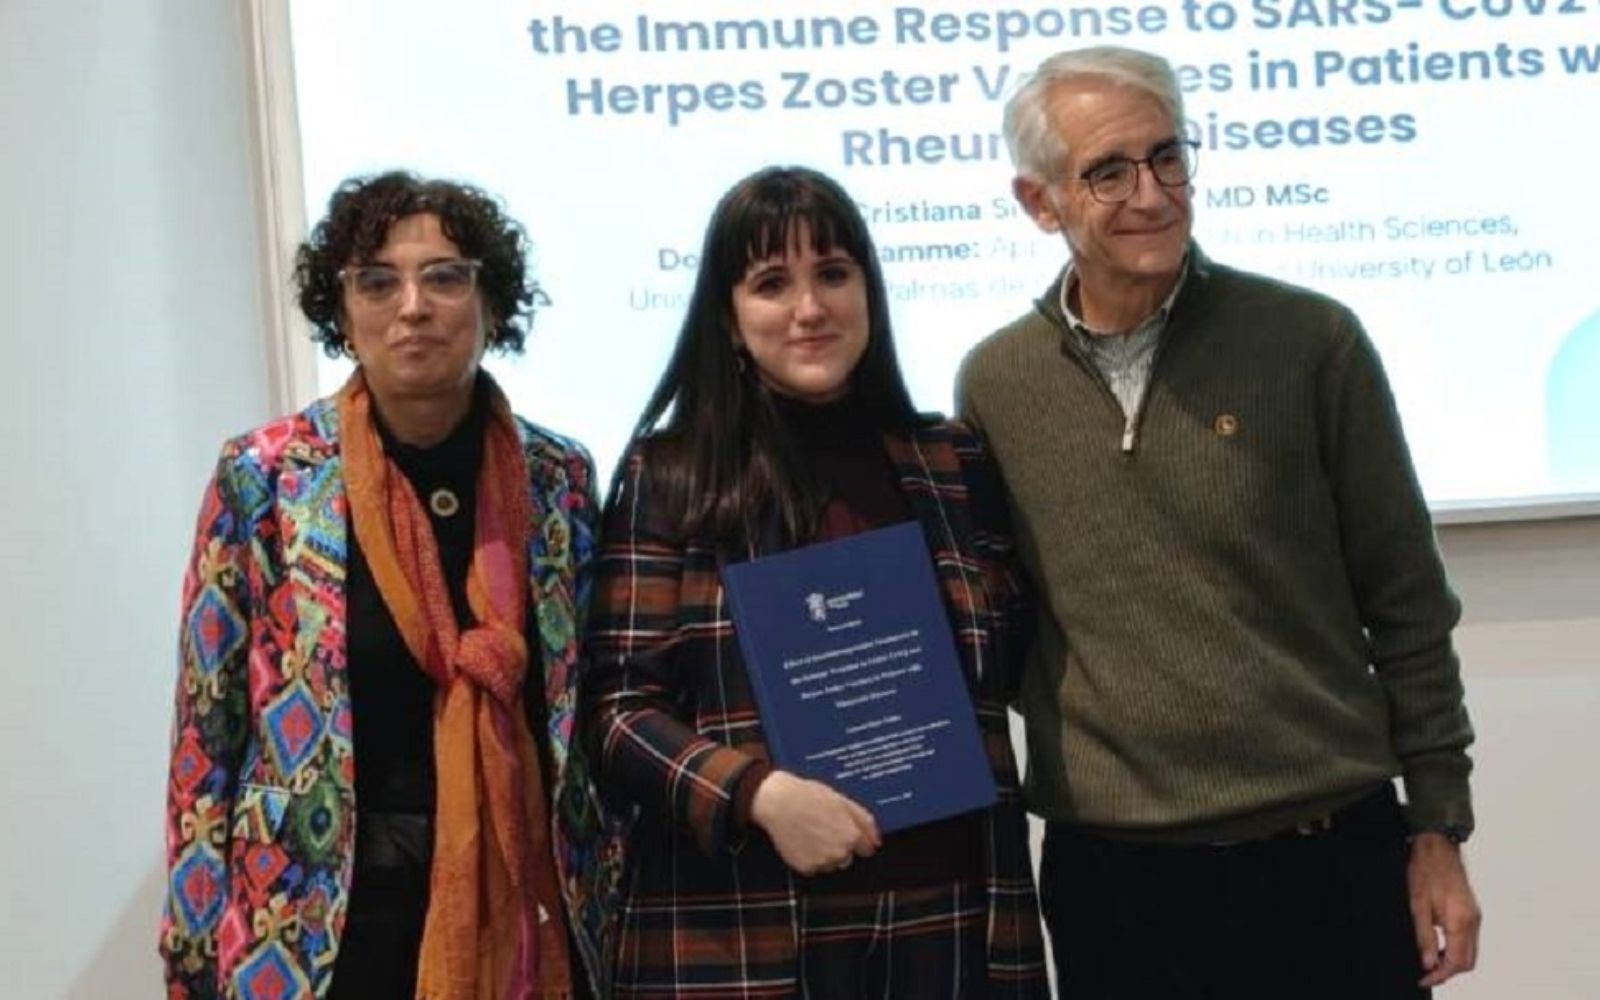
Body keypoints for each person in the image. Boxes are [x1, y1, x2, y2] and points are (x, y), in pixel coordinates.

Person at [957, 46, 1481, 999]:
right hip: (1119, 885)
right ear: (1040, 203)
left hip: (1328, 859)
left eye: (1168, 157)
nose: (1151, 194)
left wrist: (1437, 827)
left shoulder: (1311, 342)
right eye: (1108, 172)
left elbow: (1408, 604)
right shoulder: (996, 384)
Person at [583, 166, 1047, 998]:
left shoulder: (951, 461)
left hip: (951, 915)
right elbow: (616, 711)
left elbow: (1009, 661)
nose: (810, 308)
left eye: (833, 274)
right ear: (727, 315)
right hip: (745, 926)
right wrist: (754, 794)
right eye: (771, 283)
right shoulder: (674, 475)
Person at [160, 172, 617, 999]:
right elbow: (207, 731)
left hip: (527, 904)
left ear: (492, 303)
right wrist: (192, 951)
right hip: (316, 924)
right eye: (378, 281)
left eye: (445, 276)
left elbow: (580, 713)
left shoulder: (559, 478)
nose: (413, 305)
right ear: (343, 312)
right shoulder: (266, 477)